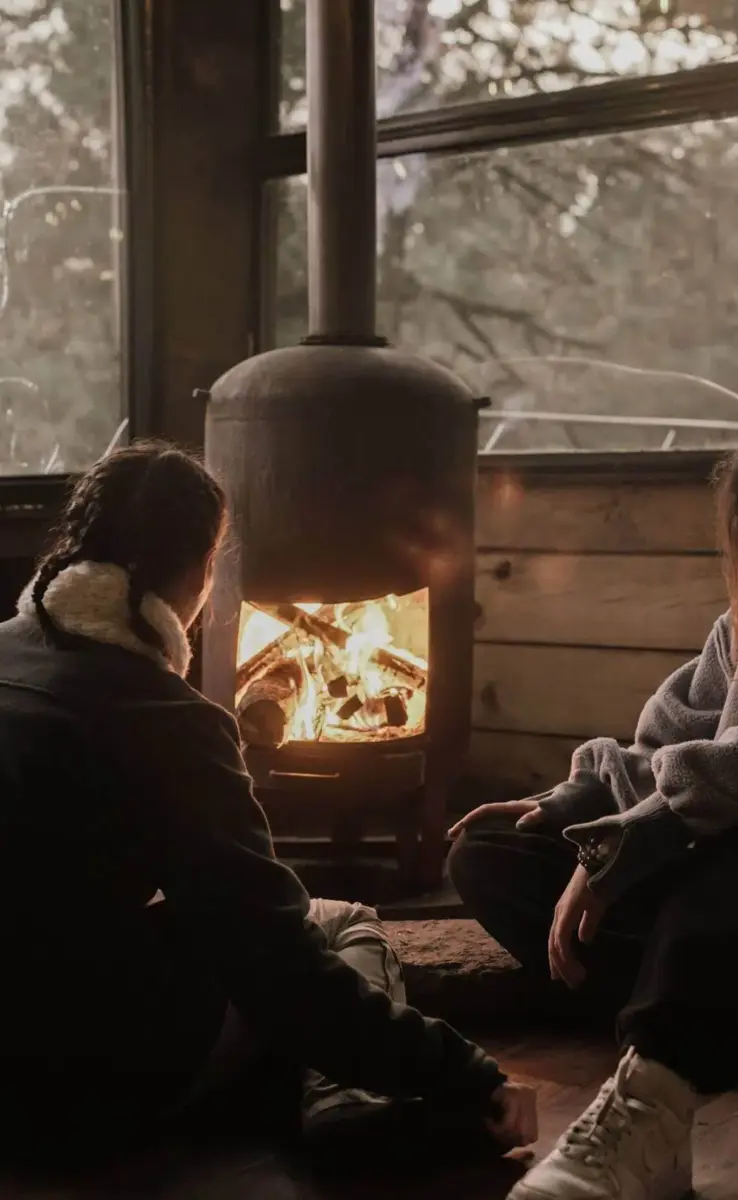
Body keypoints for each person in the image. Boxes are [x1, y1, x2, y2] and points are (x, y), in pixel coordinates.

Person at [0, 439, 537, 1160]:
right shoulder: (170, 722)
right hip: (73, 1088)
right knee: (336, 923)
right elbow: (280, 968)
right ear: (197, 572)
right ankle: (349, 1103)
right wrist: (468, 1076)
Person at [449, 420, 738, 1200]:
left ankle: (655, 1100)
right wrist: (574, 802)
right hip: (733, 918)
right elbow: (664, 747)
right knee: (493, 851)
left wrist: (649, 833)